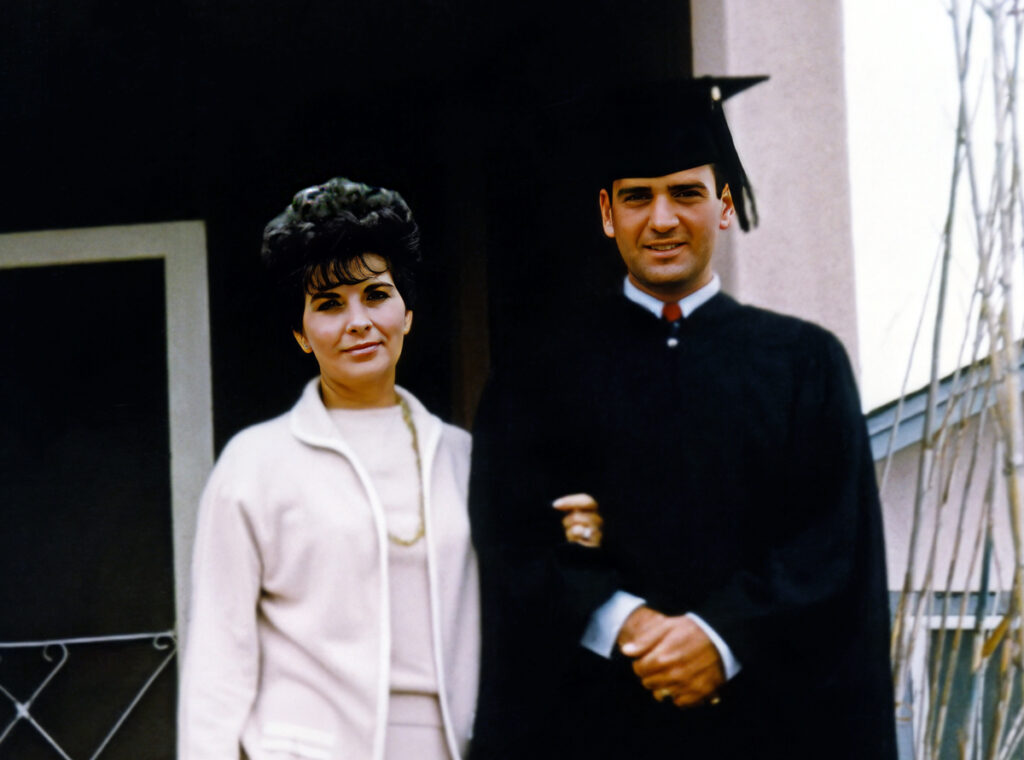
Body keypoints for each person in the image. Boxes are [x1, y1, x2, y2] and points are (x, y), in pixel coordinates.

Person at [468, 78, 898, 759]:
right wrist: (626, 624)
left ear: (724, 207)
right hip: (595, 732)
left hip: (765, 732)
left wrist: (720, 635)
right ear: (607, 213)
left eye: (686, 194)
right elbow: (511, 533)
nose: (662, 219)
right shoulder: (538, 375)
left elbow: (829, 548)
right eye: (638, 197)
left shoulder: (804, 365)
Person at [179, 177, 479, 760]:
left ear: (408, 312)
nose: (359, 321)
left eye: (375, 294)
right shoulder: (256, 464)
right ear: (300, 333)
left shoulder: (465, 458)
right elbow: (218, 657)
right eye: (329, 304)